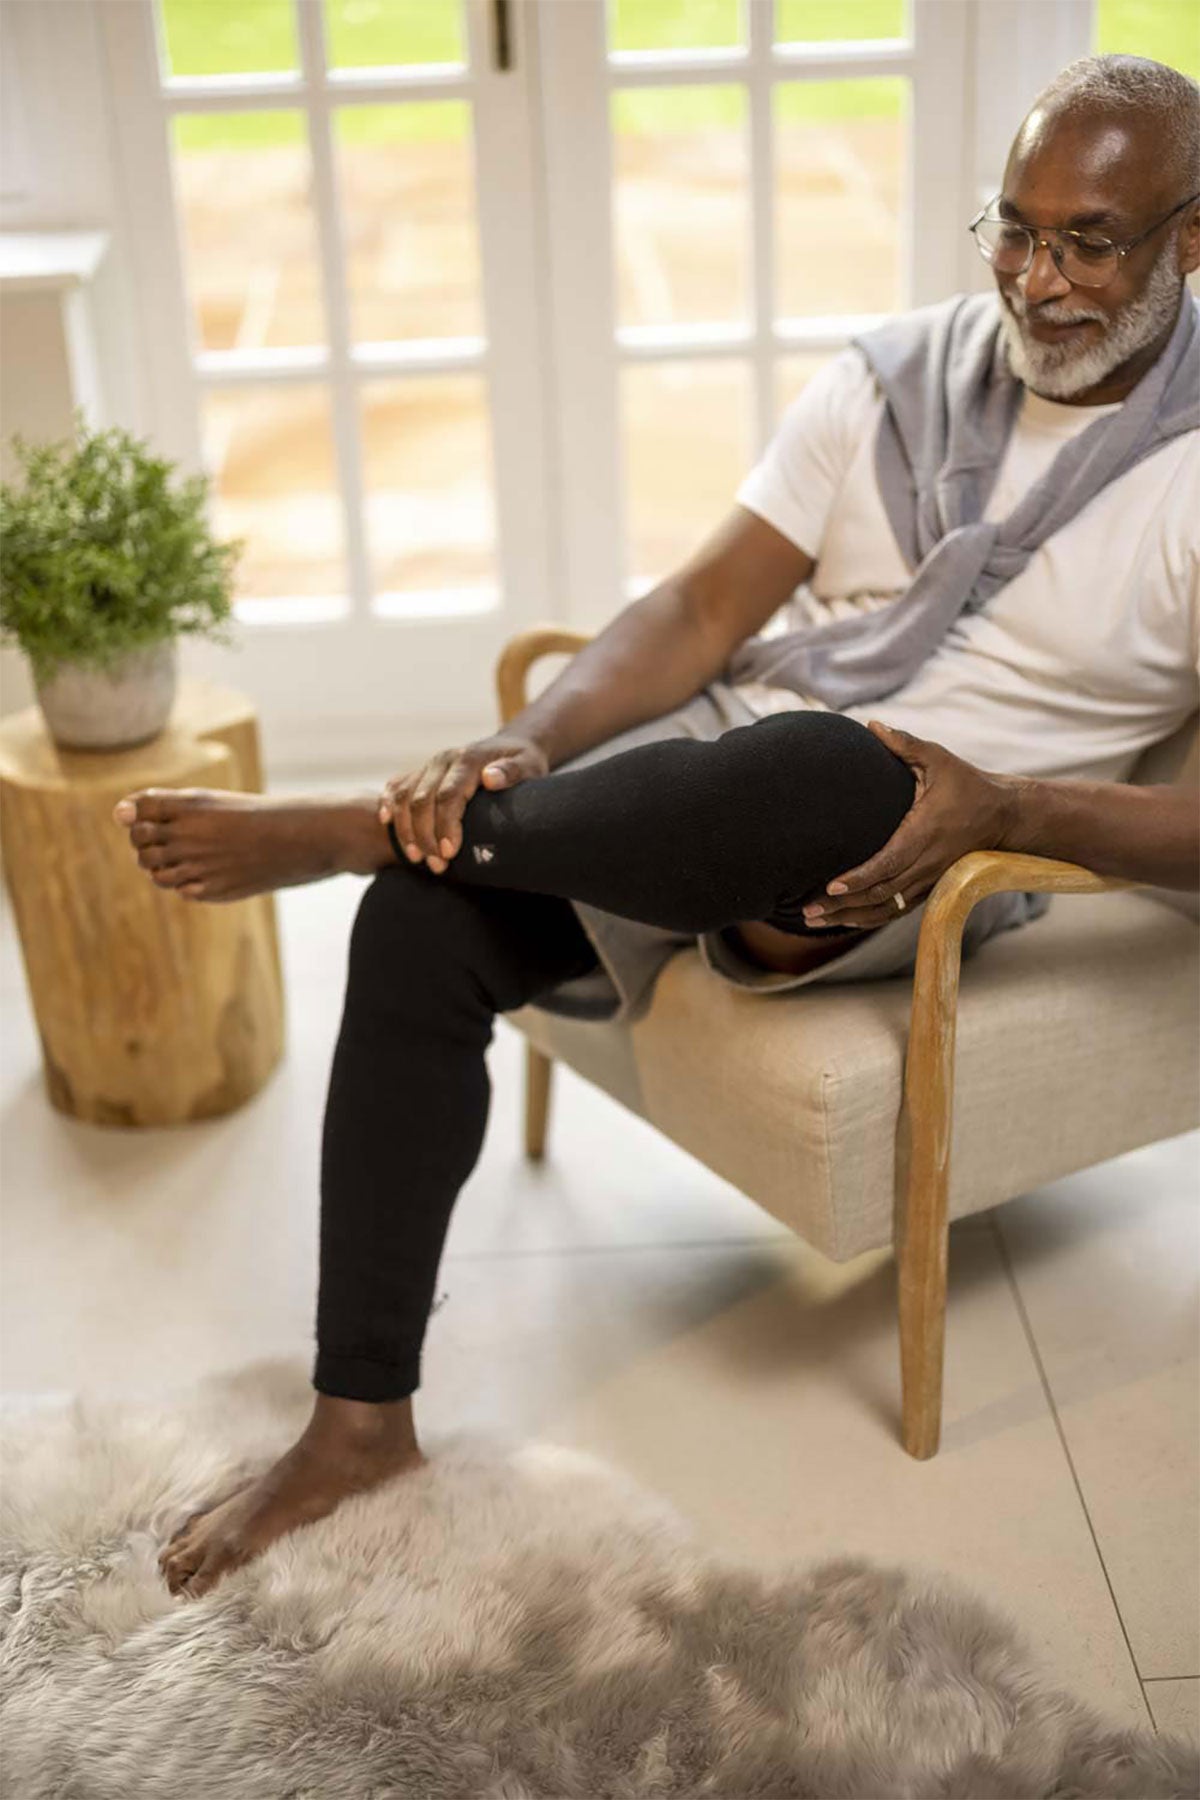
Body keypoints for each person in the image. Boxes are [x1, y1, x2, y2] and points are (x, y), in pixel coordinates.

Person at [112, 54, 1199, 1600]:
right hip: (691, 790)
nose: (1036, 279)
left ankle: (371, 825)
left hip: (899, 850)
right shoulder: (897, 376)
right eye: (1014, 230)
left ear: (1192, 238)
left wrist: (1011, 804)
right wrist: (529, 740)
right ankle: (357, 1427)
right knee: (419, 921)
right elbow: (699, 609)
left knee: (834, 767)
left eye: (1089, 242)